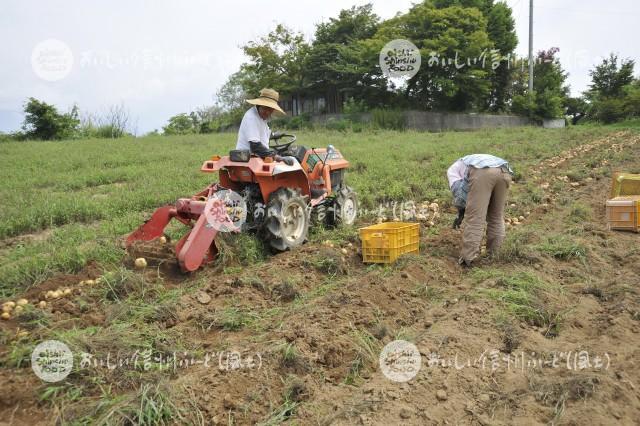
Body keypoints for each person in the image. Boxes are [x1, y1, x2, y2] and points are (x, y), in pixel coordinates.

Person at [447, 154, 514, 267]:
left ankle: (467, 259)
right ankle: (495, 255)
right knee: (496, 217)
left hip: (483, 173)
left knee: (475, 218)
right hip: (504, 171)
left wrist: (460, 214)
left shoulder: (452, 171)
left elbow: (459, 194)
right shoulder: (466, 162)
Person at [236, 88, 294, 166]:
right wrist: (277, 157)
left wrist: (273, 135)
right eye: (265, 108)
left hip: (259, 156)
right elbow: (255, 146)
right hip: (249, 158)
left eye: (270, 110)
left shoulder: (261, 117)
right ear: (259, 105)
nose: (267, 112)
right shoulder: (252, 117)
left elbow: (262, 134)